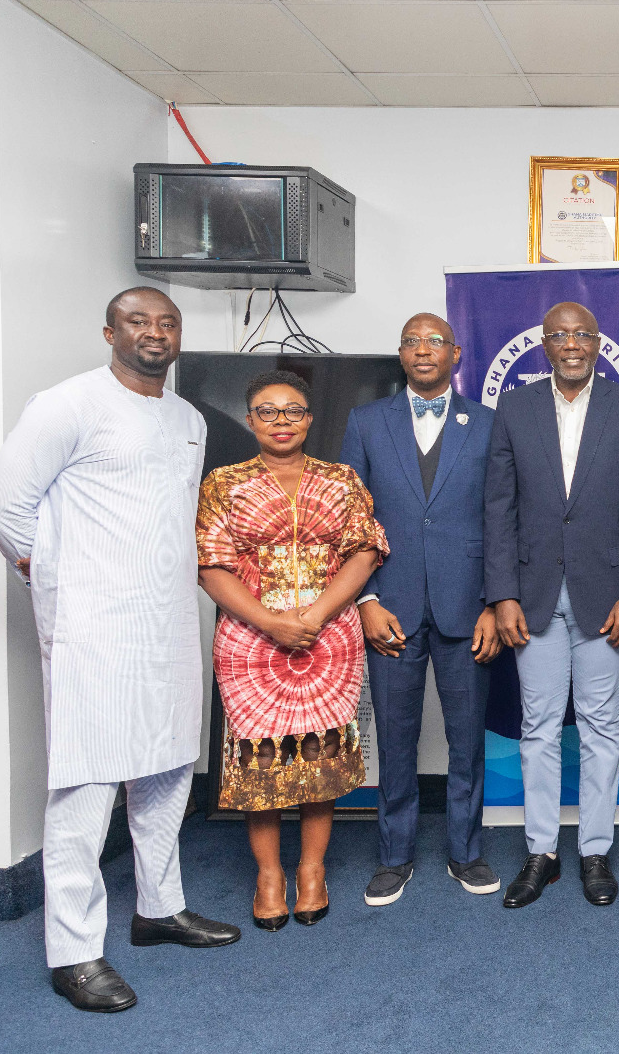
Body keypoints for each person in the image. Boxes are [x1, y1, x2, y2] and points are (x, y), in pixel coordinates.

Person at [0, 287, 239, 1014]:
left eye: (167, 323)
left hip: (167, 618)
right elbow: (2, 505)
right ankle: (73, 952)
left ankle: (160, 908)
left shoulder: (187, 419)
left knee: (167, 764)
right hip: (93, 624)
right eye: (138, 321)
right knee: (85, 780)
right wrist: (52, 573)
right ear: (109, 332)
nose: (154, 333)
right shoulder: (66, 404)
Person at [485, 301, 619, 908]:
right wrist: (502, 593)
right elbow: (498, 506)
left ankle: (594, 851)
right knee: (537, 727)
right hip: (532, 595)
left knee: (600, 726)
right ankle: (541, 851)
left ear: (598, 343)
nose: (571, 344)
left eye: (582, 334)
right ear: (544, 345)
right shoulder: (514, 408)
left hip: (607, 598)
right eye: (559, 335)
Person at [196, 371, 388, 930]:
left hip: (330, 636)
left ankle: (311, 871)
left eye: (293, 410)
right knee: (259, 759)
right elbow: (210, 565)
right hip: (249, 638)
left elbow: (365, 551)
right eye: (267, 410)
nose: (281, 420)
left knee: (320, 754)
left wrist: (317, 614)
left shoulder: (341, 480)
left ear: (309, 419)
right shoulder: (223, 483)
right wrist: (269, 622)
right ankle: (268, 877)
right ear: (250, 420)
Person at [341, 314, 502, 908]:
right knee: (395, 739)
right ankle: (394, 856)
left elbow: (502, 517)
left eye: (435, 341)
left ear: (456, 354)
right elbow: (350, 519)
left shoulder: (488, 423)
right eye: (412, 341)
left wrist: (495, 603)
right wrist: (365, 599)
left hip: (469, 608)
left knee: (467, 742)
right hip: (391, 608)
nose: (423, 350)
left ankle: (466, 852)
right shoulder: (365, 422)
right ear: (401, 354)